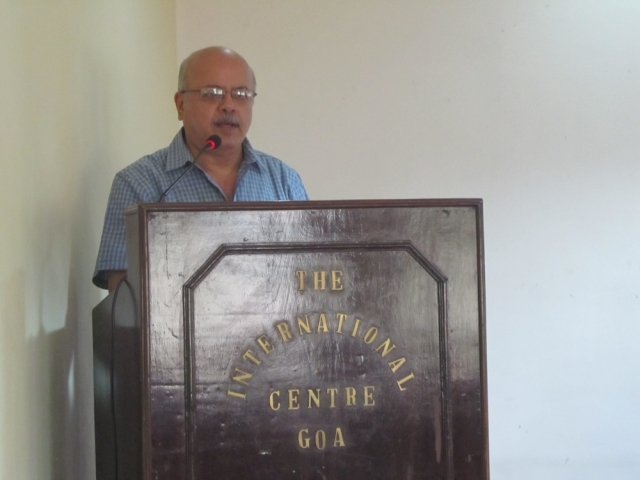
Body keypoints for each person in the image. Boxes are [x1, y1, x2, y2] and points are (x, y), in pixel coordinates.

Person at [93, 46, 308, 291]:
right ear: (180, 105)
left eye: (241, 94)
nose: (229, 106)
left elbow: (311, 273)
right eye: (212, 93)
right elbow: (123, 295)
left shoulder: (284, 181)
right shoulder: (138, 183)